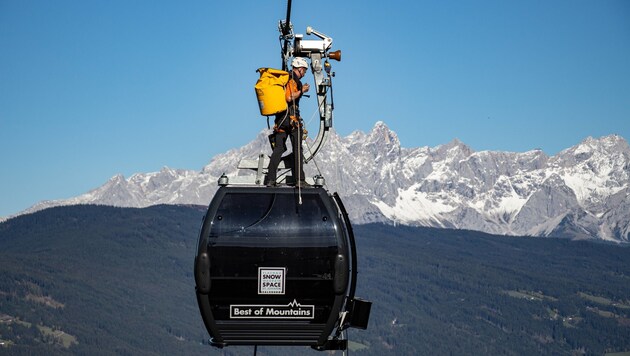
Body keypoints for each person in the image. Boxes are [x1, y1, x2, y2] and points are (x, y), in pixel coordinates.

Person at [266, 57, 311, 187]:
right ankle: (299, 180)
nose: (304, 74)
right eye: (304, 71)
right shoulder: (292, 80)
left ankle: (271, 179)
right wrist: (302, 90)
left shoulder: (284, 79)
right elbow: (289, 97)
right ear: (301, 69)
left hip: (280, 120)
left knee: (278, 149)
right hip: (291, 120)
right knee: (297, 149)